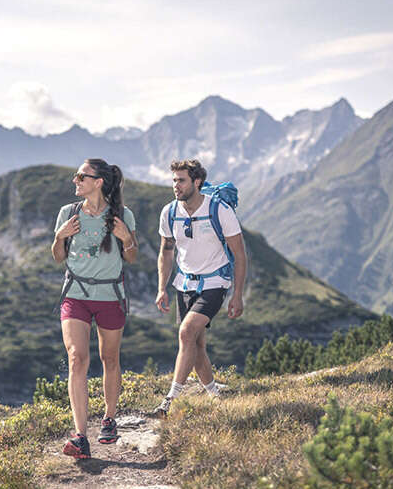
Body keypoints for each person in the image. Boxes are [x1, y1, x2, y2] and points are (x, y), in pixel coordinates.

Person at [51, 159, 138, 459]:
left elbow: (132, 257)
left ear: (98, 182)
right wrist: (59, 237)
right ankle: (79, 436)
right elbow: (58, 257)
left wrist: (127, 239)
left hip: (110, 296)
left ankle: (109, 419)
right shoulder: (68, 213)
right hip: (75, 294)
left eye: (81, 176)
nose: (75, 180)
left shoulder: (122, 215)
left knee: (109, 358)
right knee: (76, 358)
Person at [152, 159, 247, 418]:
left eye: (181, 180)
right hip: (184, 283)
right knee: (196, 345)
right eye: (173, 180)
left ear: (197, 182)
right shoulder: (169, 212)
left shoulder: (219, 210)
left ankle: (170, 399)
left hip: (215, 282)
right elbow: (166, 251)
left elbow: (239, 254)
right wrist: (162, 288)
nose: (175, 185)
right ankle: (215, 395)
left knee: (186, 333)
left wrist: (237, 295)